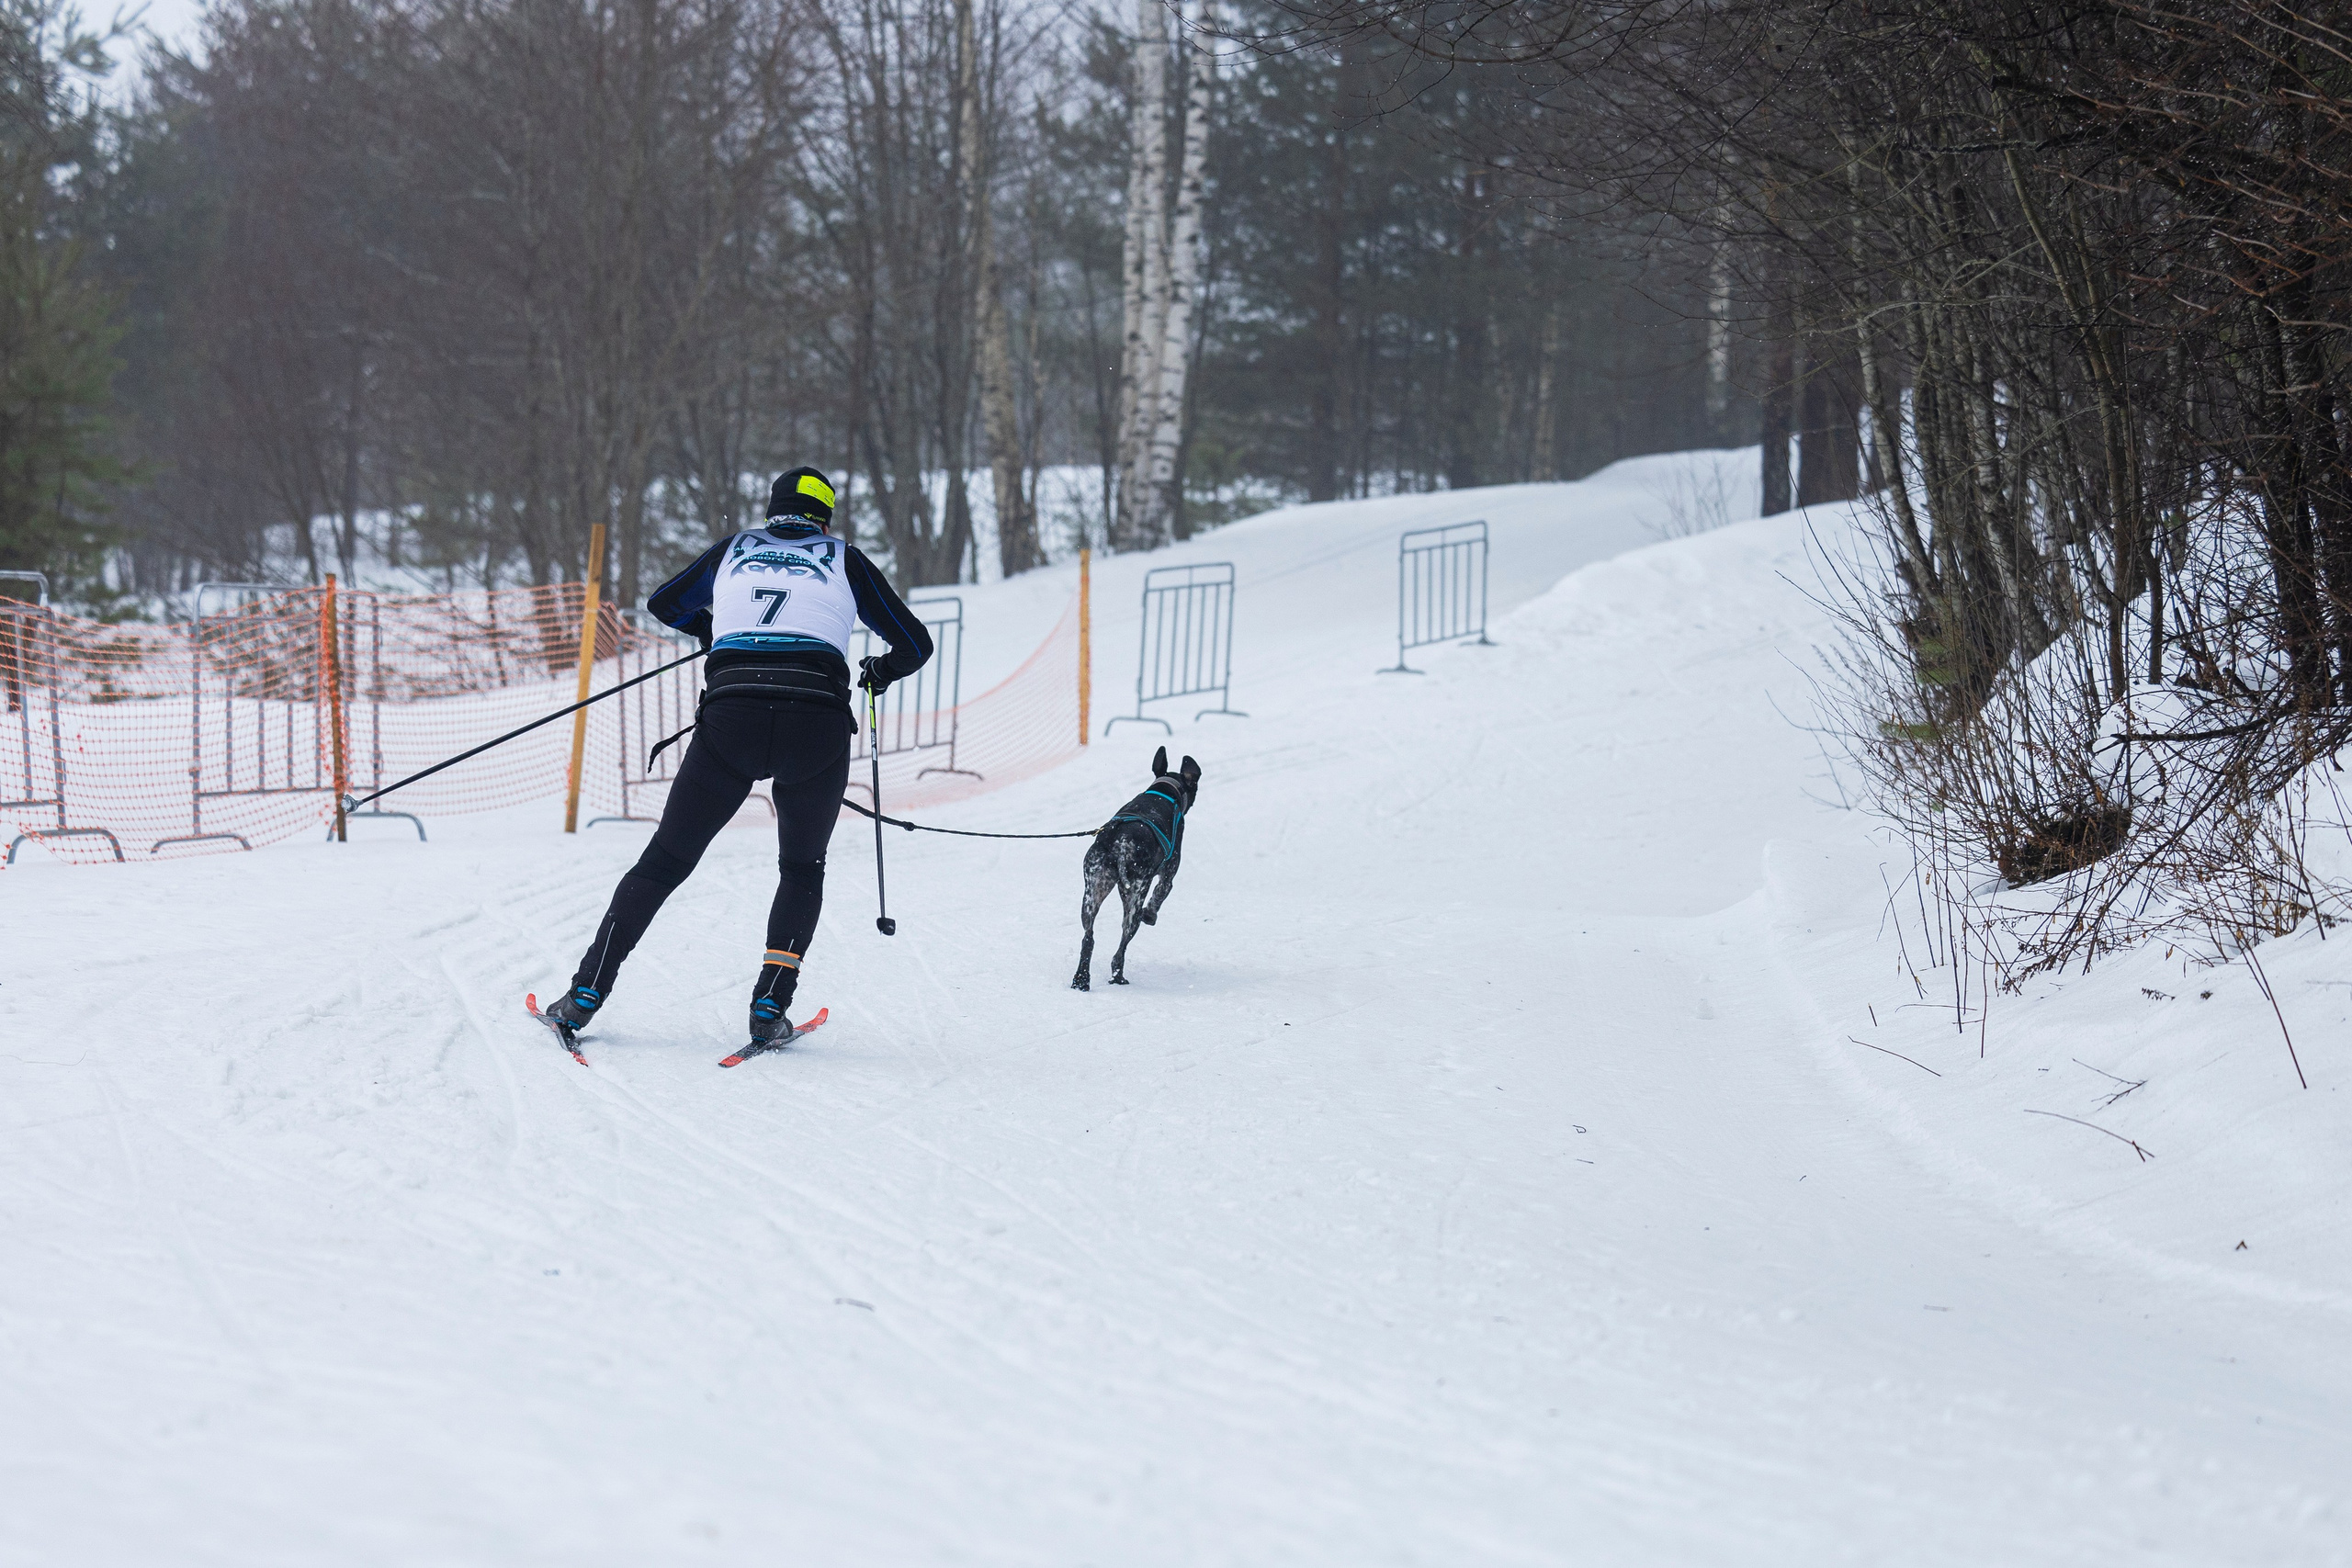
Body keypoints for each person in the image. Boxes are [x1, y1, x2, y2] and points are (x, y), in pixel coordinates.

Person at [543, 468, 933, 1048]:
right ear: (825, 516)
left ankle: (582, 998)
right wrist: (878, 670)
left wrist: (714, 630)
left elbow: (663, 602)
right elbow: (915, 643)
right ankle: (768, 1007)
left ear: (772, 509)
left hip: (732, 718)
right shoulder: (843, 558)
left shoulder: (735, 548)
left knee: (663, 862)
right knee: (802, 869)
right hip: (816, 723)